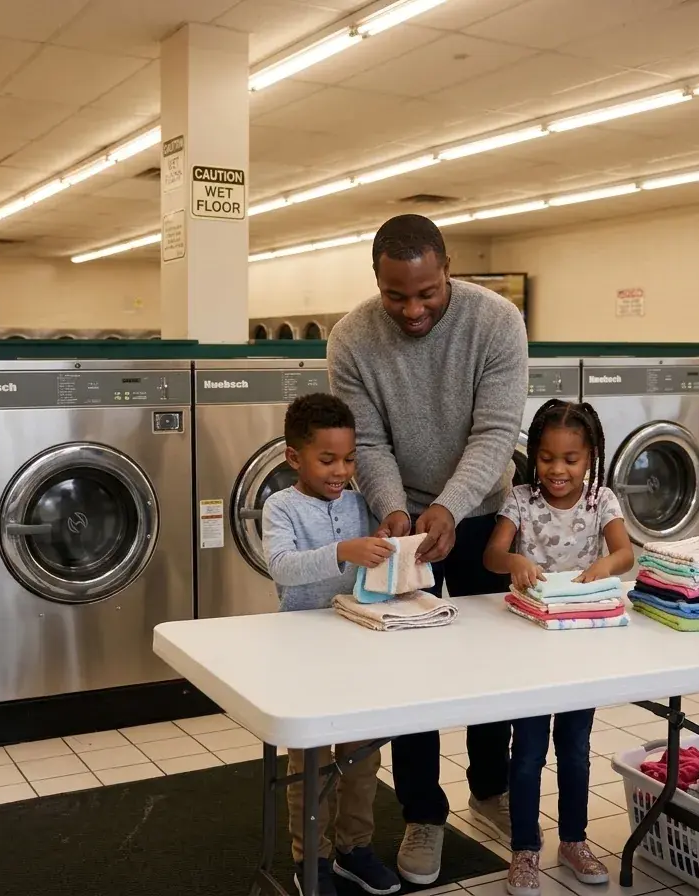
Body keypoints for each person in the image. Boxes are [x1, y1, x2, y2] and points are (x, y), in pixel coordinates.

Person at [327, 213, 528, 885]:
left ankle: (491, 787)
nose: (412, 309)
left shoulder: (495, 322)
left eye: (426, 293)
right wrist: (395, 510)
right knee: (410, 671)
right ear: (376, 280)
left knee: (489, 661)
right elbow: (368, 441)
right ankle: (422, 814)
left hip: (482, 512)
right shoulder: (352, 337)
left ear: (448, 270)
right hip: (400, 518)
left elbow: (496, 430)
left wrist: (451, 506)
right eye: (395, 295)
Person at [483, 399, 635, 895]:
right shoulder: (520, 499)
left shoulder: (601, 501)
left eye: (571, 459)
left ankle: (573, 841)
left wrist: (605, 566)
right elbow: (492, 554)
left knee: (574, 748)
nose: (557, 469)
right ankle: (524, 849)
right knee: (527, 752)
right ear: (534, 456)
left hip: (579, 645)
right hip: (529, 643)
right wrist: (515, 562)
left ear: (590, 457)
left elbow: (625, 552)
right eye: (547, 457)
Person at [261, 393, 402, 896]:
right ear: (293, 457)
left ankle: (354, 848)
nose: (341, 470)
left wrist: (386, 541)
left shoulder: (360, 503)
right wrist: (343, 551)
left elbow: (374, 567)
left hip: (358, 647)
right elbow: (282, 566)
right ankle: (311, 860)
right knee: (311, 766)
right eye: (327, 460)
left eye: (349, 459)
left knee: (363, 760)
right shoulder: (280, 507)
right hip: (303, 652)